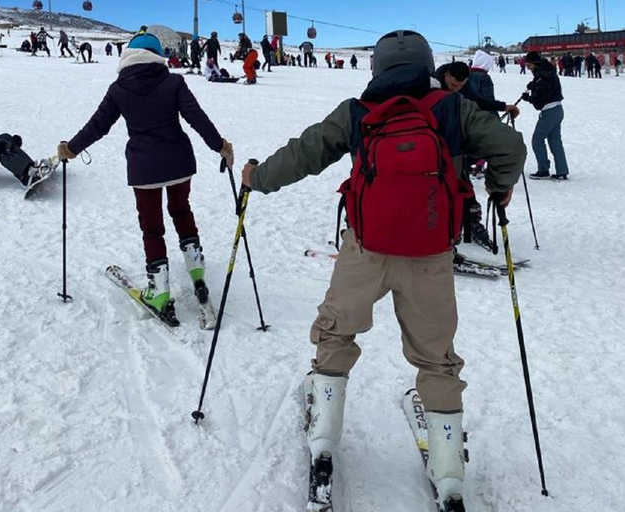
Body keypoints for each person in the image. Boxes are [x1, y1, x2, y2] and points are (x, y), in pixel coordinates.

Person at [239, 30, 525, 512]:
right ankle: (450, 469)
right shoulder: (452, 108)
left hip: (366, 248)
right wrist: (500, 189)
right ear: (426, 65)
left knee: (336, 332)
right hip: (431, 252)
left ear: (377, 68)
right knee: (436, 358)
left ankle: (325, 436)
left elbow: (304, 153)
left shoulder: (357, 111)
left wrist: (256, 178)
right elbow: (510, 149)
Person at [56, 34, 234, 323]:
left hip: (144, 168)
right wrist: (221, 146)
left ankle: (159, 291)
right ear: (157, 54)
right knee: (181, 210)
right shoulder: (173, 82)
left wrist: (72, 148)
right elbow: (196, 117)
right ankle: (196, 272)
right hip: (179, 162)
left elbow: (98, 125)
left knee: (152, 228)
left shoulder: (119, 89)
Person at [434, 61, 520, 252]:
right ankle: (441, 234)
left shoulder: (462, 87)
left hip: (455, 144)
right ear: (446, 75)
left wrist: (503, 106)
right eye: (453, 86)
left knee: (462, 183)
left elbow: (477, 101)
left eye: (461, 87)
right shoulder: (430, 84)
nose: (457, 90)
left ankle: (470, 221)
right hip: (432, 145)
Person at [522, 51, 569, 181]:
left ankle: (543, 169)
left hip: (549, 111)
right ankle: (562, 171)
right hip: (558, 109)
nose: (528, 68)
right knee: (555, 142)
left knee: (537, 140)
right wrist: (534, 85)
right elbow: (547, 87)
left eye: (529, 65)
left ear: (535, 64)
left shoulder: (541, 75)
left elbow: (543, 94)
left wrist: (529, 98)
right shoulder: (547, 71)